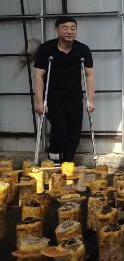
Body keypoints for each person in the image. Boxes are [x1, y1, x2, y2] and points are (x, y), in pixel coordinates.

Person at [34, 16, 95, 165]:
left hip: (74, 98)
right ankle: (54, 160)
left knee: (74, 133)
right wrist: (40, 102)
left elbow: (89, 75)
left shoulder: (82, 50)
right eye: (65, 28)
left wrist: (90, 100)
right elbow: (38, 75)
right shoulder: (46, 49)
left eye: (72, 28)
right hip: (53, 99)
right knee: (60, 130)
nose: (69, 31)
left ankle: (67, 163)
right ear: (57, 29)